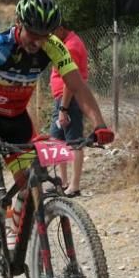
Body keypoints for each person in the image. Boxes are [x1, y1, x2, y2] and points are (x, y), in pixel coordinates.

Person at [0, 0, 114, 250]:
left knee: (29, 181)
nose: (38, 41)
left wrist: (99, 124)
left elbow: (78, 87)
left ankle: (14, 230)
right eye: (33, 33)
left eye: (46, 34)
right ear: (19, 24)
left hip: (16, 117)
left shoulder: (54, 47)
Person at [48, 26, 90, 197]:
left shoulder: (71, 47)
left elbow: (70, 82)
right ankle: (62, 182)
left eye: (51, 32)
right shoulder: (65, 43)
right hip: (61, 100)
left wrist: (63, 108)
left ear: (59, 29)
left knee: (74, 142)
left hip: (69, 100)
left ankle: (74, 185)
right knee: (56, 140)